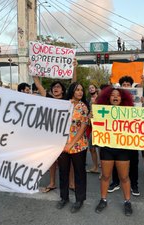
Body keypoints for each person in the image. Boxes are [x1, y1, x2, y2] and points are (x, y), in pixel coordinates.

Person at [33, 59, 78, 193]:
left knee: (68, 161)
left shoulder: (67, 100)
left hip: (66, 135)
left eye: (58, 87)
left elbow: (74, 84)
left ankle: (71, 183)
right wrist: (33, 71)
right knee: (52, 160)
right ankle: (52, 182)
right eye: (54, 87)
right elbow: (38, 85)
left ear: (63, 90)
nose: (56, 88)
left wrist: (74, 68)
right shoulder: (49, 99)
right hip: (52, 135)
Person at [94, 86, 134, 216]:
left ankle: (127, 201)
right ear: (107, 98)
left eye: (118, 95)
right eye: (112, 95)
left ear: (123, 98)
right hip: (106, 148)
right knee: (105, 176)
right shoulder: (101, 112)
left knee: (124, 177)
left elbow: (137, 125)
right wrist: (92, 117)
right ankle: (103, 199)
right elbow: (95, 125)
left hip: (123, 149)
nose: (115, 97)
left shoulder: (130, 112)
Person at [56, 82, 89, 213]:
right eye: (77, 90)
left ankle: (79, 200)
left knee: (79, 173)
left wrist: (71, 143)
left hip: (78, 145)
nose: (80, 92)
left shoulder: (83, 107)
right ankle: (64, 198)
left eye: (82, 90)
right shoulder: (64, 104)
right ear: (72, 91)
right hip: (62, 145)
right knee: (63, 171)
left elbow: (82, 128)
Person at [108, 75, 140, 197]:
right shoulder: (115, 99)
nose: (126, 87)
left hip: (132, 137)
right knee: (116, 161)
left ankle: (134, 184)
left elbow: (141, 116)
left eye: (128, 85)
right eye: (124, 85)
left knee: (133, 162)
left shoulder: (138, 100)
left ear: (132, 87)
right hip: (116, 137)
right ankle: (116, 182)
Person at [86, 84, 99, 174]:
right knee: (91, 148)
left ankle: (104, 172)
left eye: (92, 88)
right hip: (91, 126)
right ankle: (95, 167)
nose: (91, 89)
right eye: (89, 88)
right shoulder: (88, 100)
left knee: (101, 149)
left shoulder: (101, 98)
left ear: (96, 89)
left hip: (100, 126)